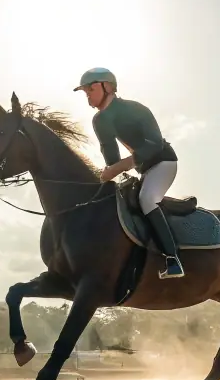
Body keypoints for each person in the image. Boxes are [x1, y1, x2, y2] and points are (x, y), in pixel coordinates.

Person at [74, 67, 184, 279]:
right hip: (144, 169)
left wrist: (120, 167)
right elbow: (111, 155)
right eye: (85, 90)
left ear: (108, 87)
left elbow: (154, 145)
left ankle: (173, 259)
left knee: (147, 199)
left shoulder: (135, 109)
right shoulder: (99, 121)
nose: (87, 93)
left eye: (91, 88)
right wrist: (106, 171)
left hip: (164, 162)